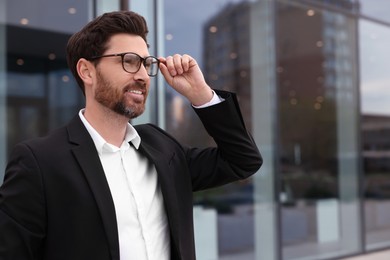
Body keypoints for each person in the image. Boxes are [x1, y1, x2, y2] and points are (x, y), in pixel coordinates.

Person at [0, 10, 262, 260]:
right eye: (129, 61)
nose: (142, 75)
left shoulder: (163, 148)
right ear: (86, 71)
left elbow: (243, 160)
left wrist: (201, 94)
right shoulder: (40, 161)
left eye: (146, 63)